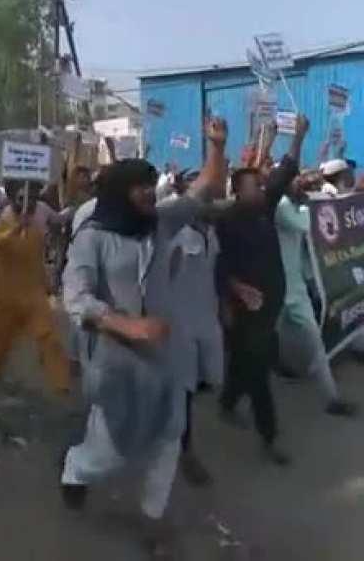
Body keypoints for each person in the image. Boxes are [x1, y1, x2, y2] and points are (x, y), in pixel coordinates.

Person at [61, 119, 227, 558]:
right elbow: (76, 300)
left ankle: (153, 519)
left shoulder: (161, 223)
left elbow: (205, 187)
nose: (150, 194)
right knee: (110, 452)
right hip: (118, 364)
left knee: (169, 438)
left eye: (152, 185)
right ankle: (75, 471)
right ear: (119, 192)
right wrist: (129, 326)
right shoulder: (91, 238)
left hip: (165, 359)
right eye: (140, 187)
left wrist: (216, 144)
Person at [216, 115, 309, 465]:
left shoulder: (264, 208)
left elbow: (286, 169)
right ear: (239, 190)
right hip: (245, 308)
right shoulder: (226, 219)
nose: (263, 187)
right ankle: (269, 437)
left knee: (245, 360)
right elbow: (218, 265)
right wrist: (236, 289)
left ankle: (226, 403)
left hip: (271, 302)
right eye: (256, 184)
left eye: (262, 184)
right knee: (258, 372)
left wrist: (298, 136)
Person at [275, 177, 357, 417]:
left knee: (314, 341)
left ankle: (331, 398)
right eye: (295, 183)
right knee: (263, 339)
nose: (301, 187)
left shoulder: (294, 205)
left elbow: (304, 249)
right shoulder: (281, 208)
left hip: (296, 289)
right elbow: (306, 225)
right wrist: (313, 206)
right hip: (278, 288)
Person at [0, 181, 70, 392]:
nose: (28, 203)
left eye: (31, 199)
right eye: (22, 199)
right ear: (12, 200)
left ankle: (61, 384)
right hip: (4, 298)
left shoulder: (36, 231)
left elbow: (37, 261)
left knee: (48, 337)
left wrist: (47, 285)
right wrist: (13, 230)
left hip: (33, 296)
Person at [167, 218, 223, 487]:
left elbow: (214, 273)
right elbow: (165, 277)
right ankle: (184, 450)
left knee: (195, 384)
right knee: (183, 390)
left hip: (204, 319)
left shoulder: (211, 232)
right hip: (179, 324)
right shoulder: (180, 236)